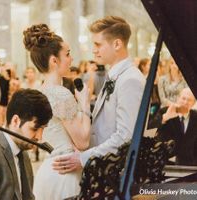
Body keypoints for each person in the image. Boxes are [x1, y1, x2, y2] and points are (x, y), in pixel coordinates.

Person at [53, 16, 145, 177]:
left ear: (117, 44)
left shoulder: (130, 80)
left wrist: (83, 158)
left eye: (97, 44)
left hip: (116, 174)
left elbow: (126, 137)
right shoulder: (116, 76)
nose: (93, 50)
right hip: (104, 170)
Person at [23, 24, 91, 199]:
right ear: (54, 60)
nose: (71, 59)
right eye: (67, 54)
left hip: (49, 170)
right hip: (66, 172)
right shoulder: (60, 94)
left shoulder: (40, 91)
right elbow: (83, 141)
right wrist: (84, 103)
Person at [156, 88, 197, 166]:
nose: (185, 102)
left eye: (189, 100)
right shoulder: (164, 112)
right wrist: (164, 118)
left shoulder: (196, 116)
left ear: (193, 103)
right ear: (178, 98)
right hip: (166, 162)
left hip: (191, 164)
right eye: (183, 98)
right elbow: (153, 128)